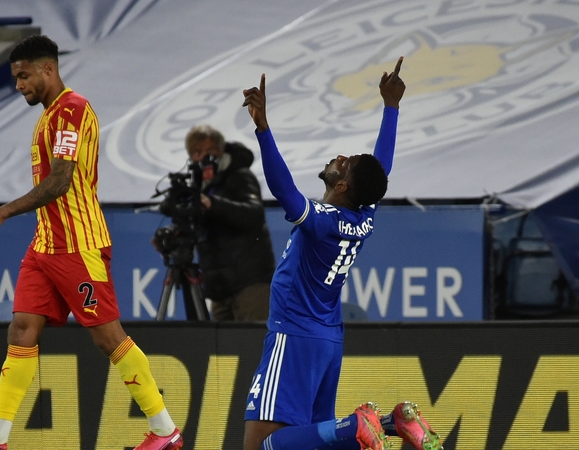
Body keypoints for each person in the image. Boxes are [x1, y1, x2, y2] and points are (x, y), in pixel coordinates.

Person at [0, 35, 183, 450]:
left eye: (23, 76)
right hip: (45, 246)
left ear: (48, 69)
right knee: (21, 330)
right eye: (16, 78)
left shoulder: (72, 109)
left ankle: (165, 431)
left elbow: (60, 181)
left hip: (78, 245)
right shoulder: (48, 116)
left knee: (108, 338)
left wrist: (2, 212)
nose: (18, 85)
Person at [240, 58, 442, 450]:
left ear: (344, 185)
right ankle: (392, 423)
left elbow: (283, 190)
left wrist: (263, 128)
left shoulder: (322, 220)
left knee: (261, 446)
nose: (338, 157)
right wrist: (391, 107)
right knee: (316, 443)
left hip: (293, 335)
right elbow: (380, 169)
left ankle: (355, 425)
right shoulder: (364, 214)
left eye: (344, 163)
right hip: (328, 340)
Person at [181, 125, 276, 321]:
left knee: (253, 339)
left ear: (221, 150)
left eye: (210, 150)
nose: (204, 157)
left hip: (250, 285)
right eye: (197, 152)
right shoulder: (200, 187)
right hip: (219, 290)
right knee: (221, 342)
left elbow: (254, 215)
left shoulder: (239, 175)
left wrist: (212, 204)